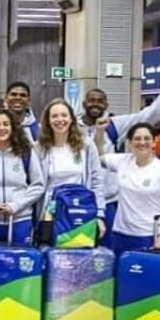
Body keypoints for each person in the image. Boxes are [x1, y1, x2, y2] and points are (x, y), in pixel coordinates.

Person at [79, 56, 160, 245]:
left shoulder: (116, 126)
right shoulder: (70, 127)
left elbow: (150, 113)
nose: (95, 104)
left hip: (109, 202)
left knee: (108, 255)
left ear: (106, 105)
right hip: (78, 200)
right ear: (84, 104)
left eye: (100, 101)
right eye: (91, 101)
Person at [95, 122, 160, 255]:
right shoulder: (123, 162)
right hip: (120, 234)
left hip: (150, 236)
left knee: (147, 275)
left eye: (147, 138)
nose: (142, 142)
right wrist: (100, 131)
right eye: (137, 139)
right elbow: (97, 157)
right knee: (121, 274)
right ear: (129, 143)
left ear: (154, 142)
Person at [34, 98, 106, 244]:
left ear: (72, 119)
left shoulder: (86, 145)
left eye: (64, 115)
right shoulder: (39, 148)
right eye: (54, 116)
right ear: (47, 121)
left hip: (80, 211)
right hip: (50, 215)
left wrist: (99, 215)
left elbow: (96, 181)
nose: (60, 120)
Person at [0, 109, 46, 245]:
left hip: (20, 220)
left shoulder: (26, 153)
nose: (1, 128)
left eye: (6, 124)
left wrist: (15, 205)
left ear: (13, 127)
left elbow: (38, 185)